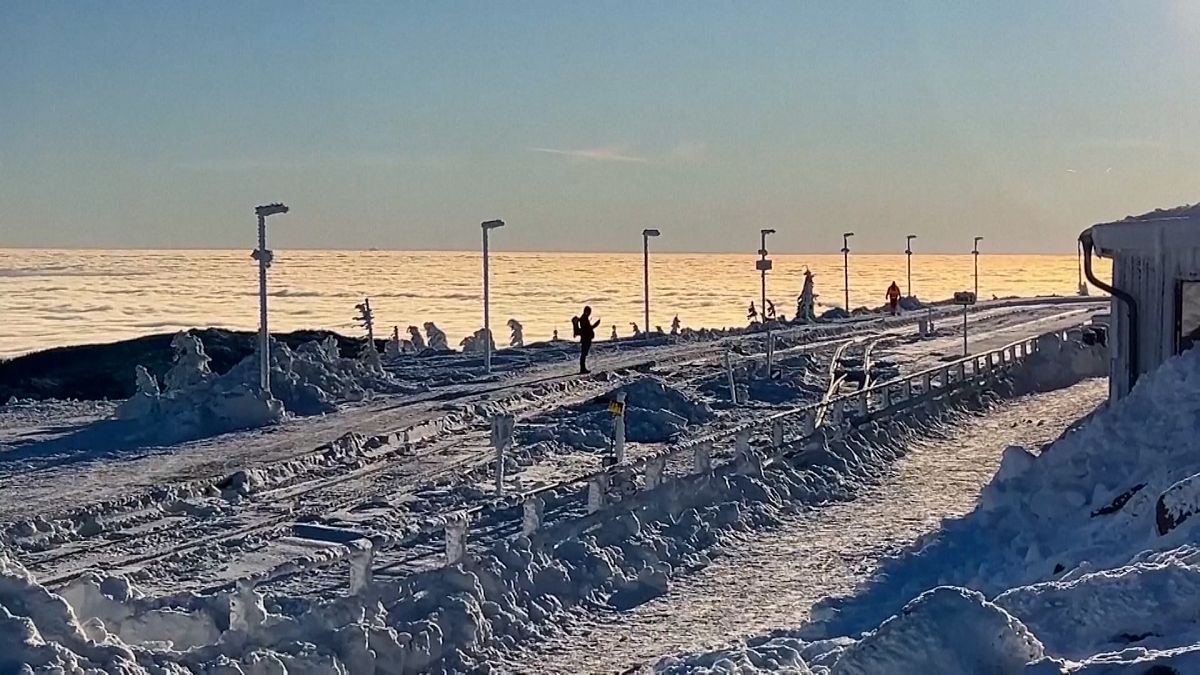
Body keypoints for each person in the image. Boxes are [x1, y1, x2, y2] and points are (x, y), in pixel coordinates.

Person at [572, 306, 601, 374]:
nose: (590, 313)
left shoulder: (584, 318)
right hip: (586, 339)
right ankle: (582, 369)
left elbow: (587, 328)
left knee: (584, 354)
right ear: (587, 311)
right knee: (584, 354)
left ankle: (583, 368)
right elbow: (587, 329)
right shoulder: (584, 319)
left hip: (586, 338)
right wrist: (595, 325)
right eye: (589, 312)